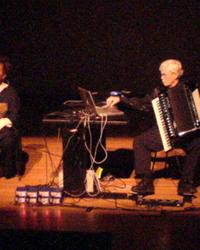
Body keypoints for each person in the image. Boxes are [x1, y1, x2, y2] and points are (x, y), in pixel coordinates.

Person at [107, 59, 200, 195]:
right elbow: (143, 102)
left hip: (186, 134)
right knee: (140, 141)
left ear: (175, 75)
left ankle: (186, 182)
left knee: (198, 143)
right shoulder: (160, 91)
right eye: (161, 74)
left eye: (164, 74)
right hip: (165, 130)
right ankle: (146, 181)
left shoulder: (190, 88)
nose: (161, 77)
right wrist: (122, 100)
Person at [0, 56, 21, 179]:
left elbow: (14, 115)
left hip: (3, 127)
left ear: (4, 76)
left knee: (8, 140)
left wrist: (1, 123)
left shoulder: (10, 93)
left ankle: (7, 169)